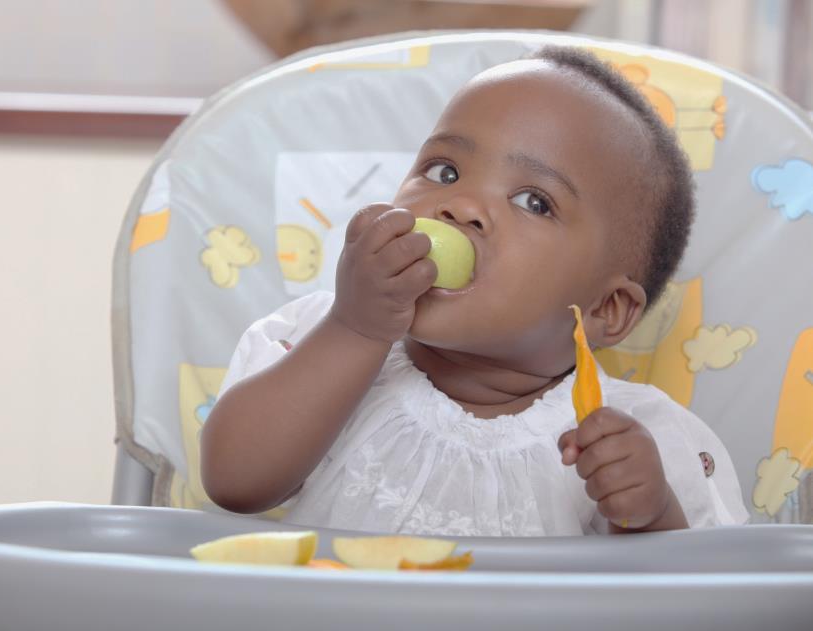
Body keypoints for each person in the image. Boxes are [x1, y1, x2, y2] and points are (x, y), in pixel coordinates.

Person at [200, 46, 749, 536]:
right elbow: (236, 484)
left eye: (534, 201)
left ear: (605, 309)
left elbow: (694, 602)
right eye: (443, 170)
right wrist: (356, 328)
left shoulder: (629, 439)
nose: (460, 206)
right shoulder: (323, 339)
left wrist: (649, 517)